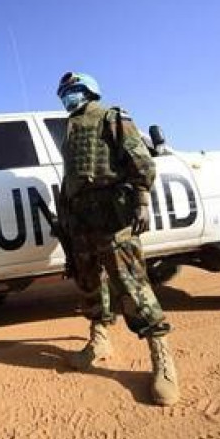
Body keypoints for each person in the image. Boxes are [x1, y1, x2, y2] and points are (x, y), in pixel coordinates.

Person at [55, 72, 180, 406]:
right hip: (82, 221)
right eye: (64, 93)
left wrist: (140, 201)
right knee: (88, 284)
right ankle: (99, 341)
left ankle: (161, 356)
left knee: (131, 285)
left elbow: (141, 161)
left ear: (90, 91)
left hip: (112, 216)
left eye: (74, 90)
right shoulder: (69, 128)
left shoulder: (111, 117)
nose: (69, 97)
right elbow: (71, 178)